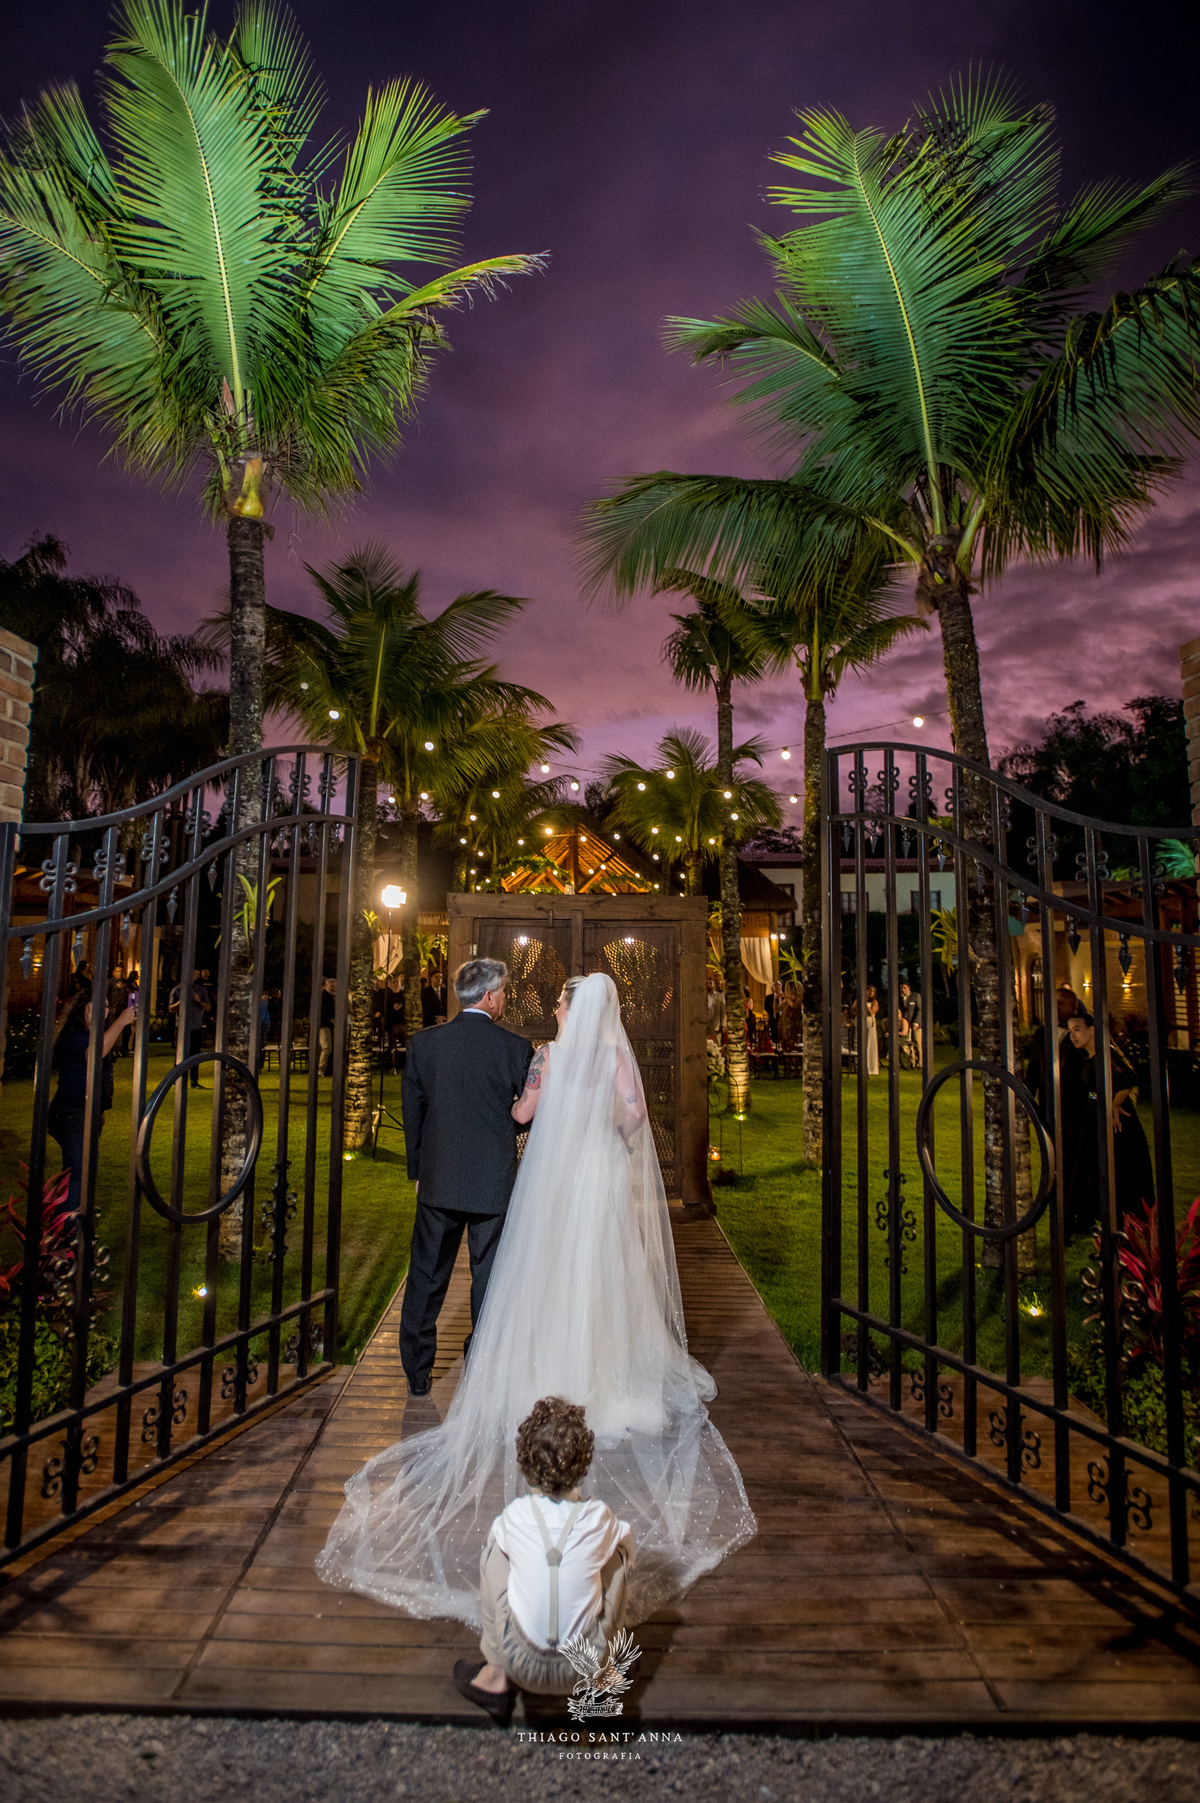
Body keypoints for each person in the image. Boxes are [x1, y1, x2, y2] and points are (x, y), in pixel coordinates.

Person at [317, 969, 755, 1633]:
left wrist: (529, 1109)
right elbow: (633, 1119)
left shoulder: (543, 1056)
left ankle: (474, 1369)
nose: (551, 1005)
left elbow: (522, 1115)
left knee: (513, 1271)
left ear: (572, 1008)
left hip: (542, 1183)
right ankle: (595, 1371)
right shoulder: (601, 1056)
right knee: (596, 1275)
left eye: (558, 1000)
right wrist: (602, 1119)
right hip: (593, 1181)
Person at [395, 958, 534, 1395]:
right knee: (489, 1276)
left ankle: (417, 1373)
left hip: (438, 1179)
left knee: (426, 1275)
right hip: (493, 1181)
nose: (505, 999)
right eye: (504, 992)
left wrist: (418, 1170)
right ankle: (481, 1363)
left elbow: (413, 1114)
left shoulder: (425, 1044)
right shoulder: (515, 1047)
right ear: (490, 996)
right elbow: (527, 1114)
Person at [454, 1396, 635, 1721]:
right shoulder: (597, 1514)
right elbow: (627, 1544)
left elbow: (498, 1545)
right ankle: (606, 1675)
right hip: (585, 1664)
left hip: (518, 1661)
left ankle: (494, 1677)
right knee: (619, 1552)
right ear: (583, 1461)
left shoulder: (516, 1514)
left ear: (526, 1461)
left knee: (494, 1553)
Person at [1062, 1012, 1155, 1239]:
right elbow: (1094, 1091)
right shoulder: (1088, 1057)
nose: (1072, 1036)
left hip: (1115, 1123)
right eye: (1070, 1031)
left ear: (1092, 1030)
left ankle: (1125, 1223)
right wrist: (1093, 1101)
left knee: (1119, 1170)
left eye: (1077, 1029)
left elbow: (1129, 1079)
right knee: (1091, 1168)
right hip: (1093, 1118)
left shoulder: (1106, 1055)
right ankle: (1092, 1219)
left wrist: (1114, 1105)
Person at [48, 987, 137, 1212]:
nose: (102, 1010)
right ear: (84, 1008)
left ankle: (69, 1217)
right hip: (71, 1113)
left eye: (105, 1006)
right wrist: (122, 1021)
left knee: (78, 1170)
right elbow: (93, 1055)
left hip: (87, 1112)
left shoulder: (94, 1034)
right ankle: (69, 1226)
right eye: (96, 1005)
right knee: (79, 1171)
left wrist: (99, 1111)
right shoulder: (74, 1034)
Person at [168, 968, 209, 1087]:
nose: (195, 976)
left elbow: (208, 1007)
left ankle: (194, 1080)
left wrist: (199, 1001)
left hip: (196, 1026)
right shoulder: (177, 990)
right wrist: (181, 1001)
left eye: (196, 974)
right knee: (180, 1054)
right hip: (181, 1027)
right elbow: (171, 1009)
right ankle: (176, 1080)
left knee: (196, 1055)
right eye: (193, 974)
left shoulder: (201, 990)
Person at [898, 980, 921, 1067]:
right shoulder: (899, 998)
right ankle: (912, 1062)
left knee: (917, 1042)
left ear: (908, 988)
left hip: (916, 1023)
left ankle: (920, 1063)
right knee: (908, 1043)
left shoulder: (915, 996)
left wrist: (916, 1022)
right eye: (901, 988)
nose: (903, 990)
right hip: (906, 1023)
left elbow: (919, 1010)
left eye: (904, 988)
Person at [317, 976, 337, 1076]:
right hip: (324, 1024)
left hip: (329, 1025)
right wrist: (333, 1020)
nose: (333, 988)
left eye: (334, 986)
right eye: (331, 986)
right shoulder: (324, 996)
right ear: (326, 985)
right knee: (327, 1047)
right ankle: (321, 1069)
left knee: (329, 1048)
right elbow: (325, 1011)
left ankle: (327, 1069)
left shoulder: (330, 996)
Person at [864, 985, 880, 1077]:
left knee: (870, 1044)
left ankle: (871, 1067)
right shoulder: (858, 1000)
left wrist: (865, 1005)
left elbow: (871, 1012)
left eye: (873, 991)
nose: (871, 992)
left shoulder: (874, 1002)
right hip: (861, 1023)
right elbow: (853, 1011)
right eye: (869, 990)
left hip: (870, 1024)